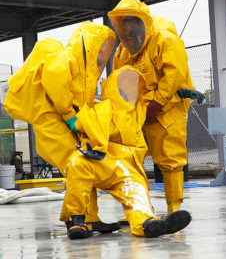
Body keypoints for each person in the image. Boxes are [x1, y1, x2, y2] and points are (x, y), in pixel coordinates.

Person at [3, 21, 121, 233]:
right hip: (49, 120)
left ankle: (84, 217)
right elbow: (55, 83)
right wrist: (69, 116)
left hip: (59, 121)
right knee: (78, 164)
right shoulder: (66, 58)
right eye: (99, 46)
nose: (102, 53)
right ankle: (77, 219)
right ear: (88, 44)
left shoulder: (86, 73)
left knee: (83, 166)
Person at [61, 66, 191, 239]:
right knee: (77, 162)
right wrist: (85, 142)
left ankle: (147, 224)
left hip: (128, 169)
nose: (128, 95)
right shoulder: (100, 110)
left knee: (136, 191)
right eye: (122, 90)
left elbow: (156, 99)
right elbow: (83, 123)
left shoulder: (138, 110)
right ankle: (76, 221)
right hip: (103, 162)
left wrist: (179, 94)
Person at [108, 0, 204, 215]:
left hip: (169, 106)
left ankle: (174, 209)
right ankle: (139, 210)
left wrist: (158, 102)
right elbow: (118, 81)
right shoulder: (123, 52)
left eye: (133, 23)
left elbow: (174, 75)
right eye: (125, 26)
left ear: (142, 22)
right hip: (139, 110)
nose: (129, 31)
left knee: (170, 157)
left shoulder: (163, 40)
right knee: (131, 157)